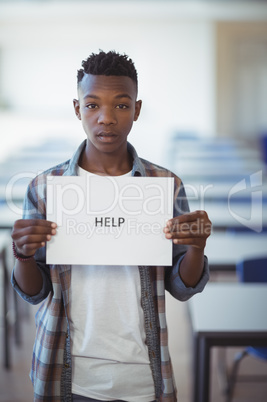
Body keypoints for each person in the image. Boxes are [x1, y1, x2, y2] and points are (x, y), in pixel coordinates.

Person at [11, 50, 211, 402]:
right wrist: (23, 256)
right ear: (77, 109)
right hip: (65, 371)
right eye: (92, 106)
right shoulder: (45, 188)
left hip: (145, 375)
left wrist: (196, 248)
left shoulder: (165, 186)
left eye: (121, 105)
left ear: (137, 109)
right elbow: (37, 292)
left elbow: (182, 287)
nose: (106, 118)